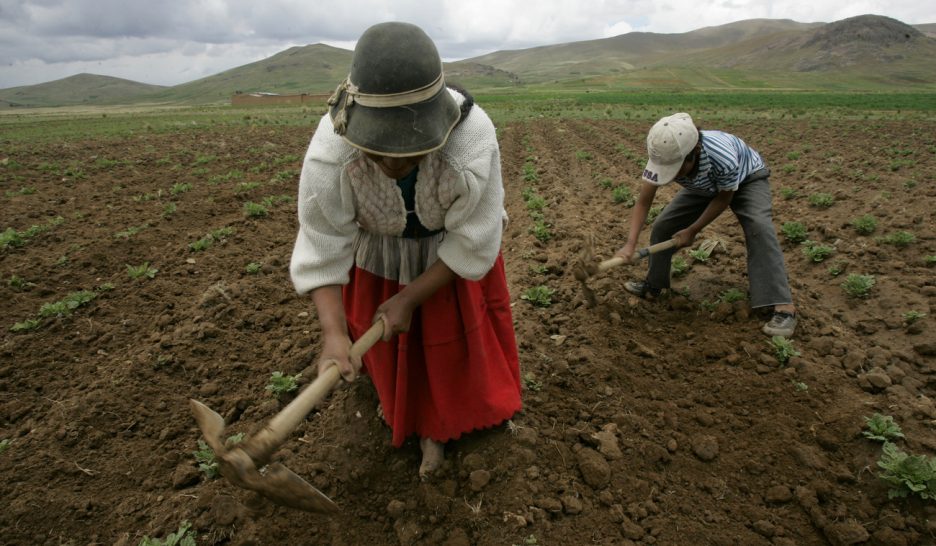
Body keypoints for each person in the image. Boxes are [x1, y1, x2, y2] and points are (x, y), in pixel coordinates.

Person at [289, 22, 522, 478]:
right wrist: (334, 333)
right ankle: (408, 416)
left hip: (448, 260)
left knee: (450, 346)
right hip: (380, 255)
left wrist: (411, 296)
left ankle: (442, 426)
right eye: (378, 154)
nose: (393, 167)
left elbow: (473, 240)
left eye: (411, 152)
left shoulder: (471, 137)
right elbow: (322, 244)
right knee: (392, 355)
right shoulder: (331, 151)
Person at [615, 112, 797, 337]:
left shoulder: (722, 157)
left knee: (759, 227)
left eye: (675, 169)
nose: (670, 175)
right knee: (663, 226)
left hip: (747, 178)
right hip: (702, 186)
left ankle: (783, 307)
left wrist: (692, 230)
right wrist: (630, 243)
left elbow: (723, 198)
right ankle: (654, 286)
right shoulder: (664, 154)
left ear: (694, 153)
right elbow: (644, 201)